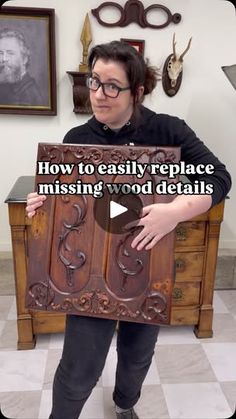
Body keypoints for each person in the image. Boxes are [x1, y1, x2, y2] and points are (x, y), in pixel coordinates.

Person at [25, 41, 231, 419]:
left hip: (147, 270)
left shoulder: (168, 131)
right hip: (87, 274)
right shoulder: (76, 140)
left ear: (137, 91)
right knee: (78, 369)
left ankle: (124, 405)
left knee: (136, 358)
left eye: (112, 85)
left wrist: (175, 211)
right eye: (94, 82)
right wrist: (44, 206)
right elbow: (67, 200)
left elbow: (219, 178)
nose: (99, 94)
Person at [0, 28, 43, 106]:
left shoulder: (29, 94)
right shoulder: (6, 83)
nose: (4, 59)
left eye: (10, 53)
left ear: (24, 59)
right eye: (1, 53)